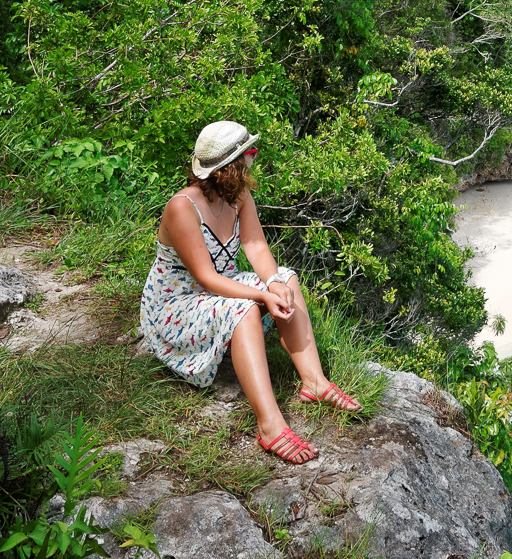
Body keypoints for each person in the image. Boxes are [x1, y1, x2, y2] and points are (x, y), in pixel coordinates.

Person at [139, 121, 360, 464]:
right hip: (177, 306)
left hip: (218, 292)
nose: (254, 161)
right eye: (250, 154)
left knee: (286, 279)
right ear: (230, 166)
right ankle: (270, 426)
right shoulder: (182, 207)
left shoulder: (238, 196)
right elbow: (206, 277)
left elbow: (255, 245)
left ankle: (314, 381)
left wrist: (272, 284)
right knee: (241, 309)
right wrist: (259, 297)